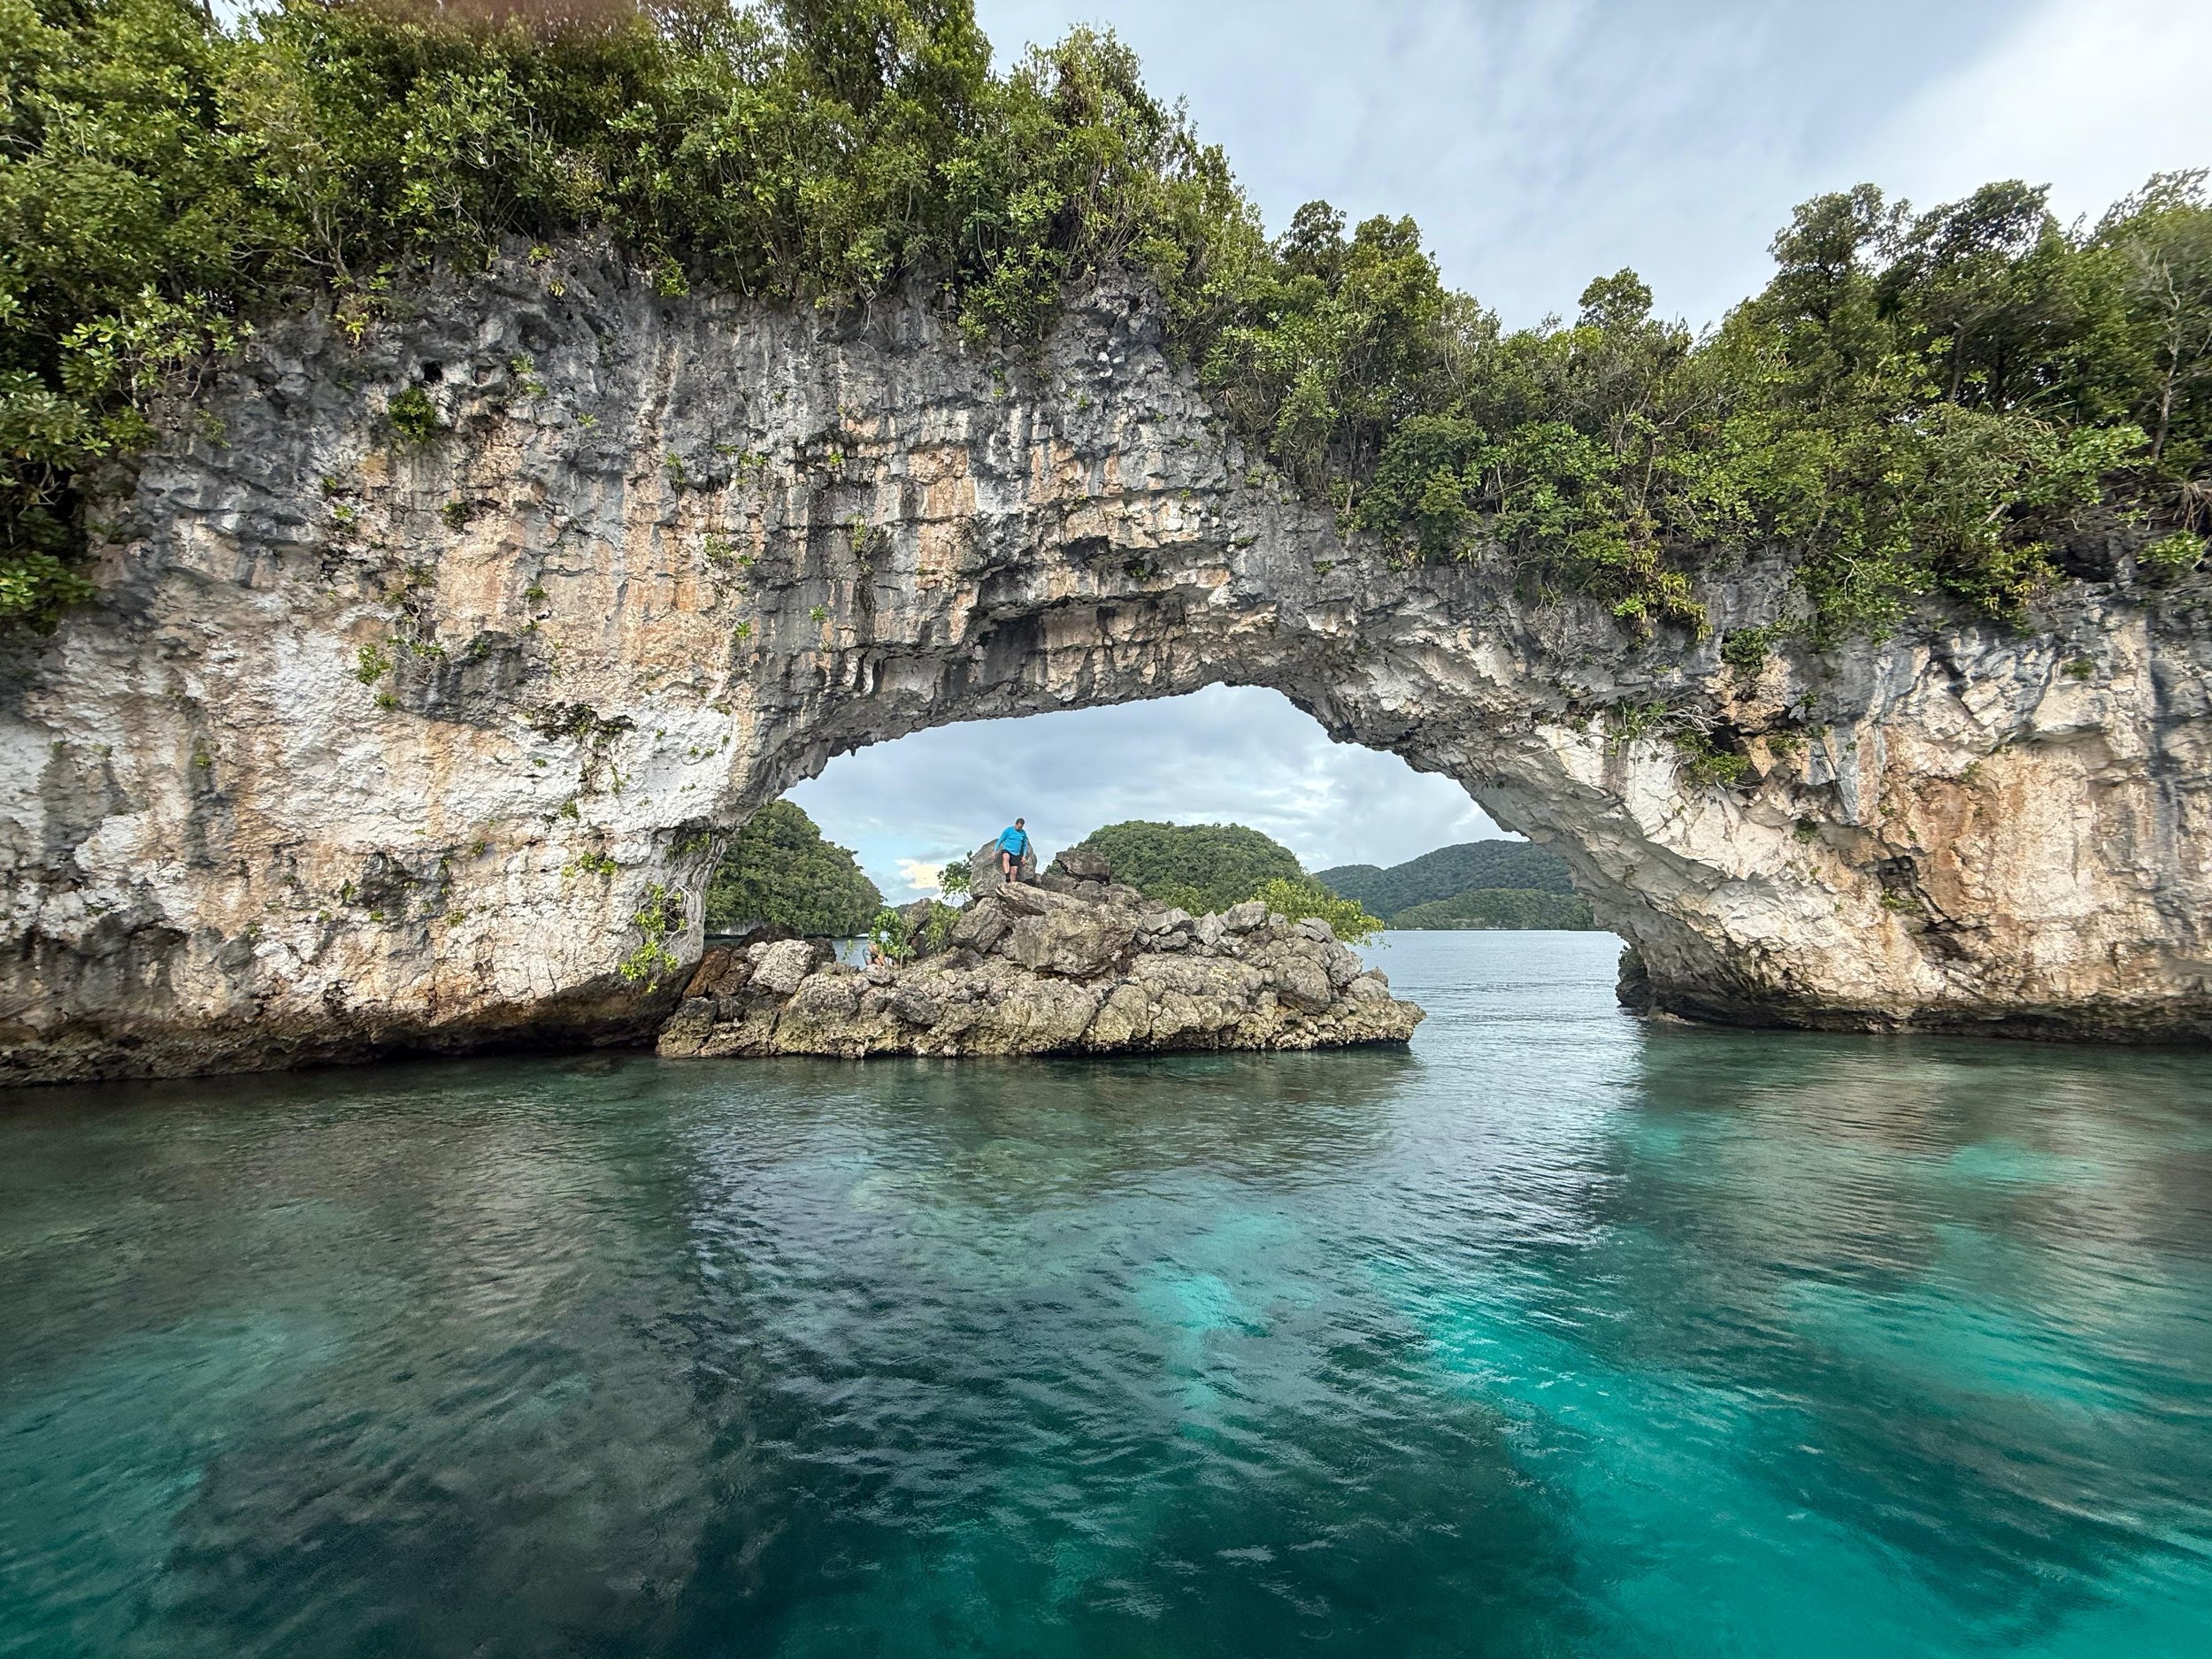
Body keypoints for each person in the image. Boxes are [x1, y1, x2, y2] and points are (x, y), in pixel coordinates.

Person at [995, 818, 1030, 887]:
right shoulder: (1008, 830)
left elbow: (1025, 845)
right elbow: (1000, 840)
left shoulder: (1023, 833)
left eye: (1021, 827)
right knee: (1006, 857)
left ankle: (1011, 887)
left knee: (1014, 871)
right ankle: (1007, 875)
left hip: (1016, 853)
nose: (1019, 829)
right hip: (1007, 849)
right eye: (1019, 827)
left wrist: (1024, 856)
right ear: (1016, 824)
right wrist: (995, 850)